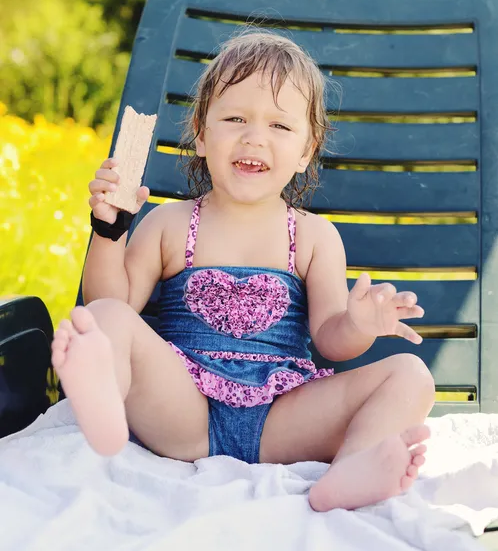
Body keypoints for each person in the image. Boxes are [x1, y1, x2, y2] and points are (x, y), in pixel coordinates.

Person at [51, 30, 435, 512]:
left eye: (280, 125)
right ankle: (104, 410)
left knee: (411, 375)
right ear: (201, 133)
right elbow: (115, 302)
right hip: (183, 413)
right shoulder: (169, 224)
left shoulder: (315, 237)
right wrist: (111, 231)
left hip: (282, 420)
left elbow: (331, 341)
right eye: (235, 118)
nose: (254, 136)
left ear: (306, 150)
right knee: (105, 318)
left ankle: (353, 469)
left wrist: (359, 325)